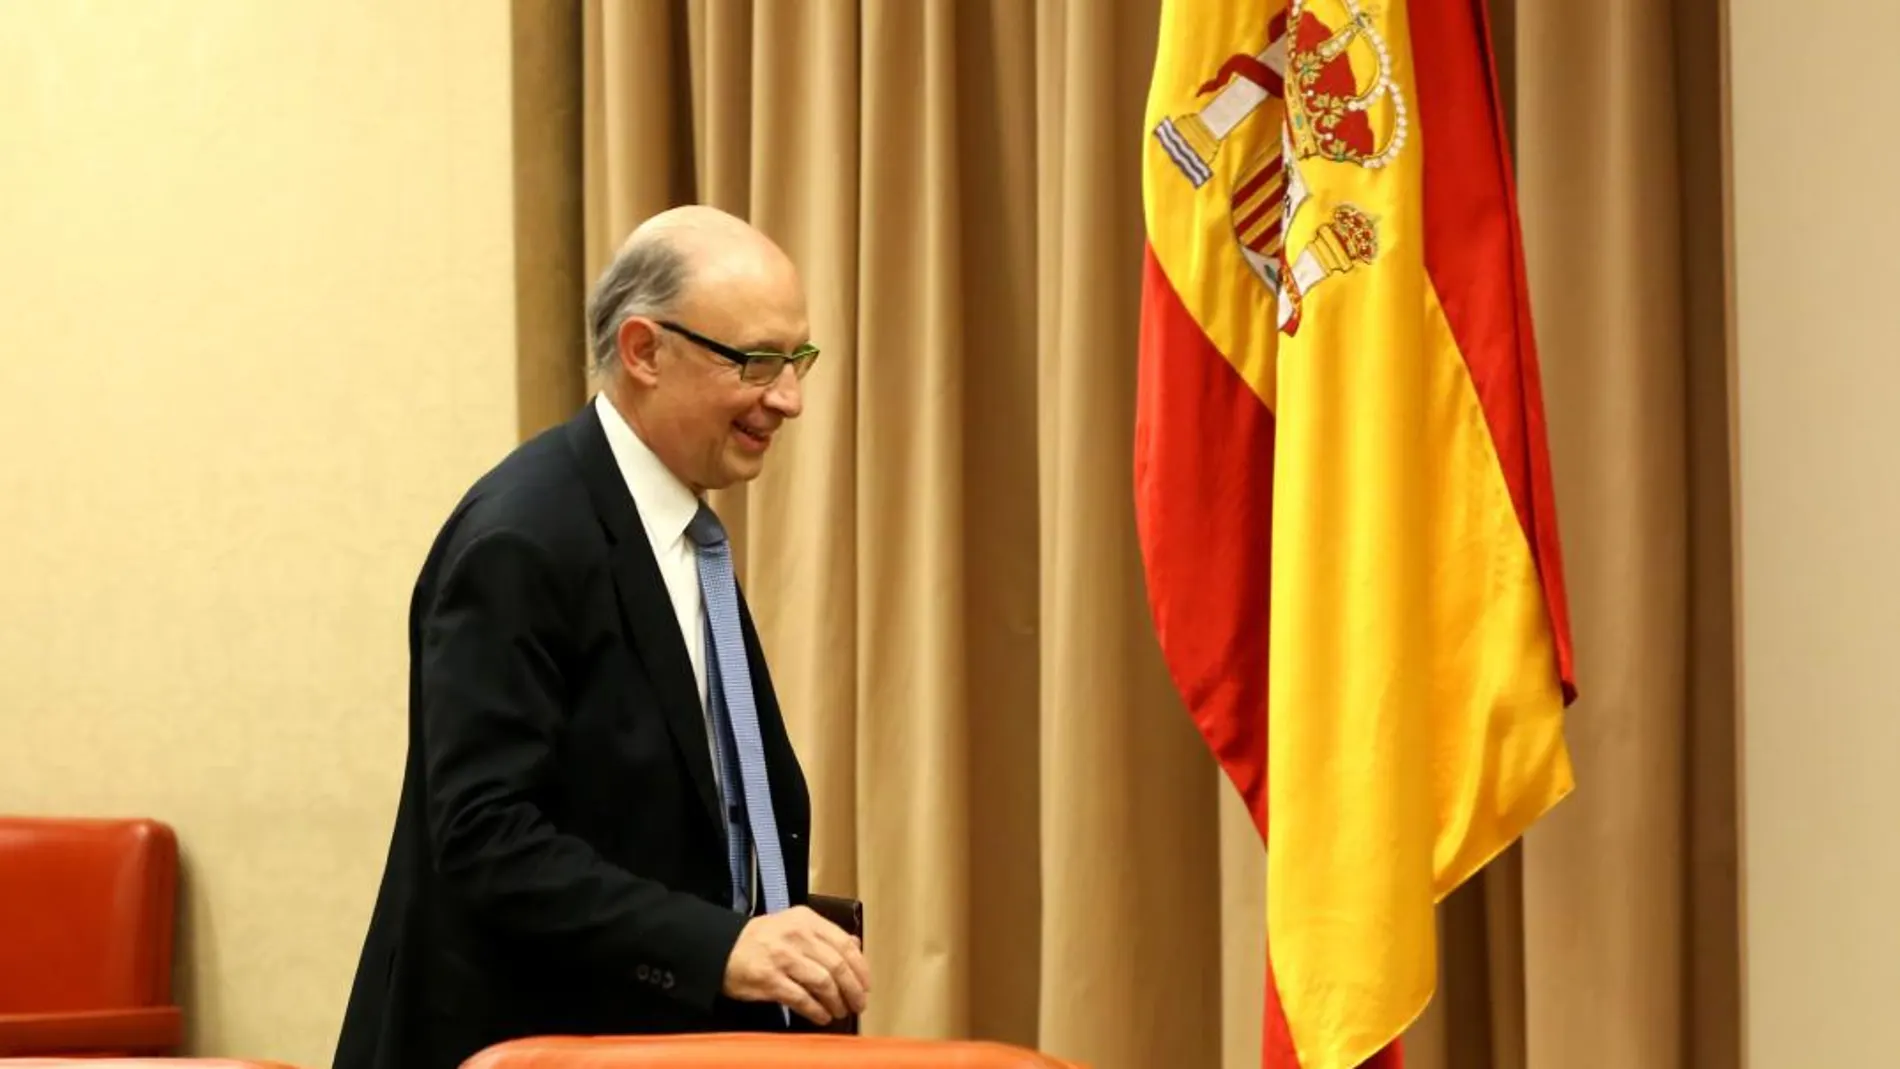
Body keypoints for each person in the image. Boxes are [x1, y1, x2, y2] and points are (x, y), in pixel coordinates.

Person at [332, 206, 869, 1069]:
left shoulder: (682, 534)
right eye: (757, 361)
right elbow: (485, 836)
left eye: (796, 359)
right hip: (521, 1045)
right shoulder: (524, 537)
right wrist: (716, 945)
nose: (789, 398)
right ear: (643, 350)